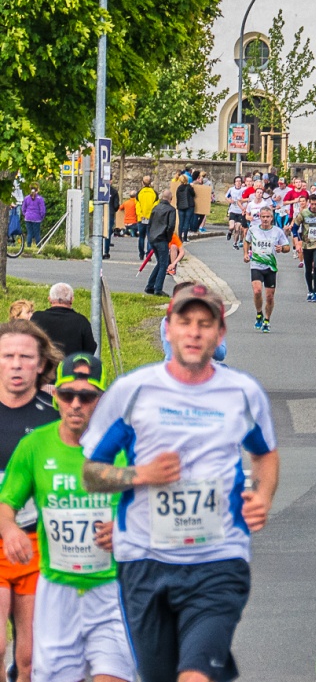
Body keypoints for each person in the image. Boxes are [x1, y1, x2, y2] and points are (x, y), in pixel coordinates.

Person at [81, 284, 280, 682]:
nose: (194, 332)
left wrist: (263, 494)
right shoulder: (132, 392)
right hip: (143, 559)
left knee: (194, 676)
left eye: (205, 324)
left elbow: (265, 453)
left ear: (220, 335)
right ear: (167, 329)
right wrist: (141, 475)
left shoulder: (242, 394)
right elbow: (91, 472)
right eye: (184, 322)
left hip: (219, 558)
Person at [0, 353, 136, 682]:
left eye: (87, 396)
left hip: (110, 591)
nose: (76, 404)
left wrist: (124, 530)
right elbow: (7, 502)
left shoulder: (125, 446)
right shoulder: (35, 446)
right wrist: (10, 529)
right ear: (55, 397)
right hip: (56, 592)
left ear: (102, 400)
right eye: (67, 394)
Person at [0, 320, 62, 681]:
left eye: (25, 356)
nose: (16, 364)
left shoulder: (52, 420)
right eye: (7, 356)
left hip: (36, 544)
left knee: (30, 655)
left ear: (40, 364)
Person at [243, 207, 291, 333]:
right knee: (257, 291)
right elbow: (246, 241)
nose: (265, 219)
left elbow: (287, 247)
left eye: (268, 217)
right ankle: (259, 314)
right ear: (260, 217)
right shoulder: (253, 230)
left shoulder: (277, 232)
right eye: (263, 217)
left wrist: (282, 248)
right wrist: (246, 254)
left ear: (272, 218)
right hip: (256, 265)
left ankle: (267, 320)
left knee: (269, 296)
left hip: (271, 267)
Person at [30, 282, 96, 356]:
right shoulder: (81, 321)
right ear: (72, 299)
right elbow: (90, 349)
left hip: (44, 366)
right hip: (70, 366)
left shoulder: (37, 318)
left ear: (50, 299)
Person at [292, 193, 316, 302]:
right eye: (312, 204)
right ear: (309, 203)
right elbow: (294, 228)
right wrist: (298, 241)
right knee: (308, 268)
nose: (314, 206)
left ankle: (315, 291)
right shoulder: (304, 213)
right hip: (306, 244)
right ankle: (309, 290)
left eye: (315, 204)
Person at [144, 190, 176, 297]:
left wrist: (150, 236)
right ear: (171, 199)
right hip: (162, 238)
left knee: (160, 262)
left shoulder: (155, 208)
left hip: (153, 238)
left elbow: (150, 224)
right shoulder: (171, 210)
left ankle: (150, 285)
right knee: (164, 264)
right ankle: (158, 288)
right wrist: (168, 238)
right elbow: (170, 226)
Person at [175, 173, 196, 242]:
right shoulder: (189, 187)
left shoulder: (178, 188)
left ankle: (180, 237)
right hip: (189, 206)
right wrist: (192, 187)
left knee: (181, 222)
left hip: (181, 206)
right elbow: (193, 194)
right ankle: (185, 237)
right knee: (187, 222)